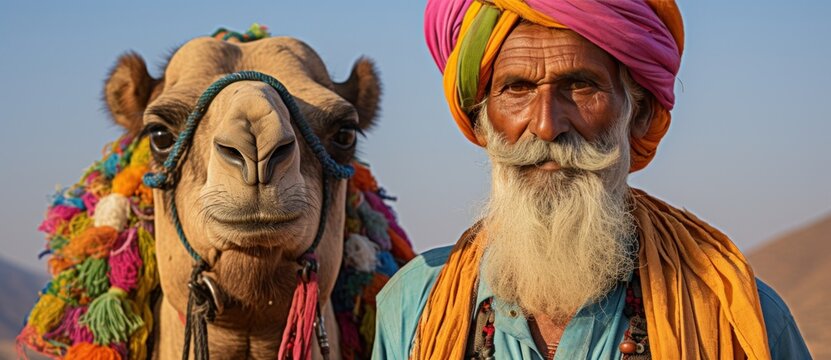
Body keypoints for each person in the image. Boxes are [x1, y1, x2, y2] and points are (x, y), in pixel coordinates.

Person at [372, 0, 811, 359]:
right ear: (483, 123)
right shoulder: (415, 307)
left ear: (636, 114)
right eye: (517, 88)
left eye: (581, 86)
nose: (546, 125)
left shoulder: (737, 315)